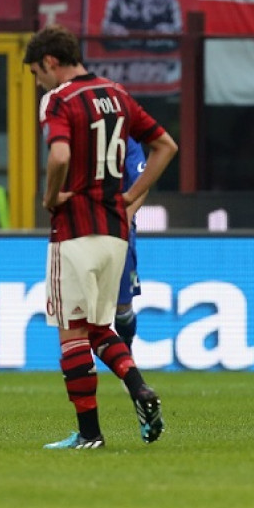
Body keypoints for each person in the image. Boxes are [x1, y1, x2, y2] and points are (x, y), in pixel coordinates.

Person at [26, 24, 178, 449]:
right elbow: (166, 145)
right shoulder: (118, 94)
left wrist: (50, 193)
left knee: (71, 333)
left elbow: (59, 153)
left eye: (38, 73)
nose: (40, 82)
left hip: (74, 227)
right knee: (97, 327)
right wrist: (132, 193)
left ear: (50, 62)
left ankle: (90, 434)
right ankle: (140, 389)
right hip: (115, 232)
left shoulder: (59, 99)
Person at [115, 137, 147, 349]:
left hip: (119, 228)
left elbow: (141, 182)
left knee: (123, 308)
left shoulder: (128, 140)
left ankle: (126, 349)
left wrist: (127, 214)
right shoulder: (80, 134)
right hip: (85, 226)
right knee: (80, 310)